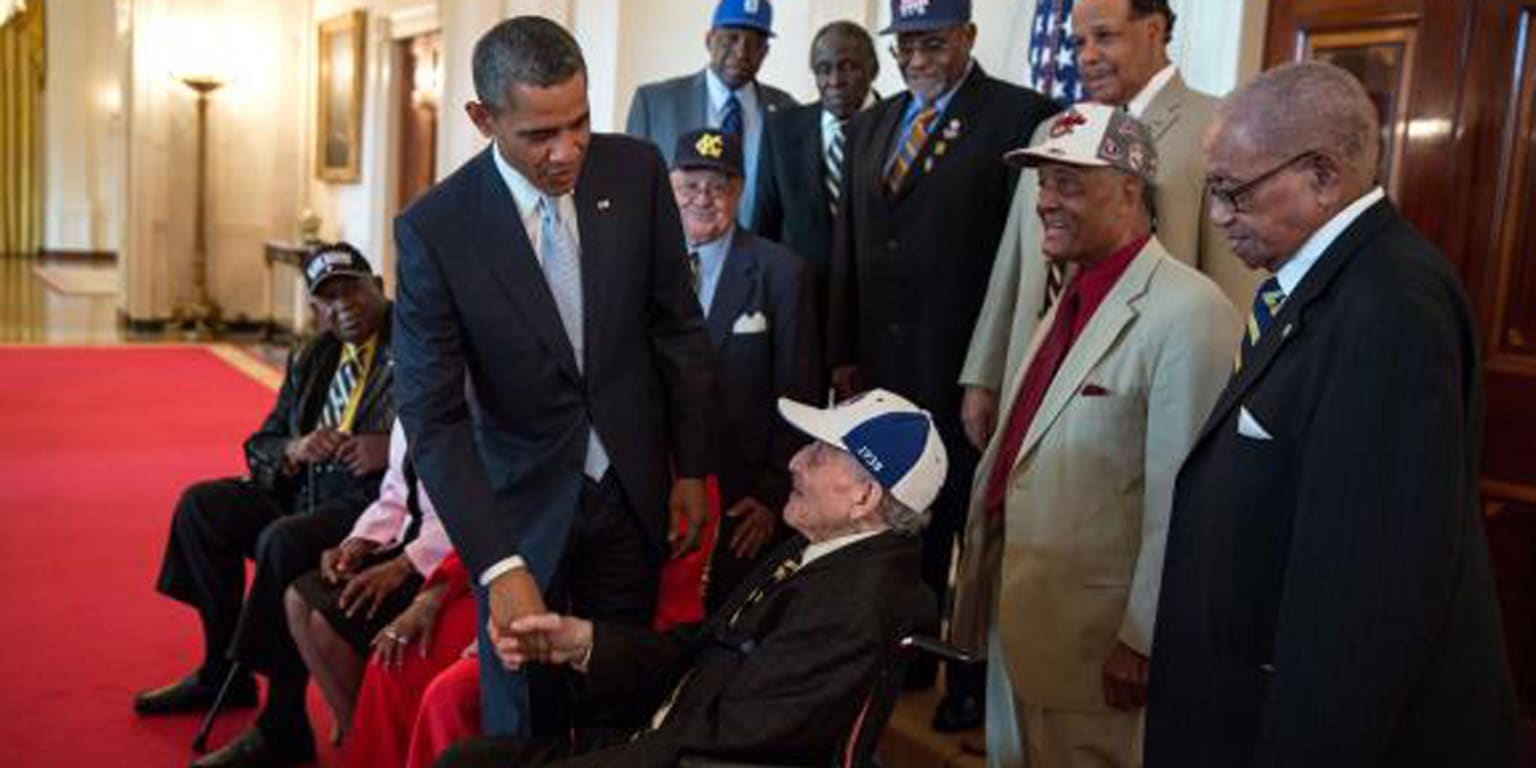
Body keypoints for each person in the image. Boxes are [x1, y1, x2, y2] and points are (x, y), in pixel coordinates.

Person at [1146, 61, 1526, 767]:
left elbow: (1365, 600)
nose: (1220, 216)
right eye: (1213, 192)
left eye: (1234, 192)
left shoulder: (1391, 310)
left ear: (1323, 176)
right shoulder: (1318, 282)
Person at [392, 17, 715, 739]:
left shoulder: (634, 173)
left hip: (632, 495)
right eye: (539, 135)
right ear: (484, 119)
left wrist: (691, 469)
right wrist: (497, 561)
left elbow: (676, 329)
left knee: (624, 700)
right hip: (520, 513)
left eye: (579, 123)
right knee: (525, 718)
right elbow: (434, 416)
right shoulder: (435, 231)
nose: (567, 151)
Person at [439, 389, 946, 768]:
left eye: (818, 455)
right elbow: (702, 650)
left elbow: (735, 740)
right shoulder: (816, 550)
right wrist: (581, 642)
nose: (794, 462)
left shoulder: (856, 603)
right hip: (665, 738)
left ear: (864, 497)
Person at [950, 104, 1238, 767]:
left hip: (1101, 650)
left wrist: (1143, 637)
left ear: (1131, 190)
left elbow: (1186, 502)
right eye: (1043, 183)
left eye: (1069, 184)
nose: (1046, 202)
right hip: (1023, 622)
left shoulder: (1190, 314)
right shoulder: (1071, 297)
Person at [825, 0, 1059, 730]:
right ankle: (906, 656)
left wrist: (993, 368)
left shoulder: (1021, 117)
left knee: (969, 525)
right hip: (882, 373)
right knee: (898, 521)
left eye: (932, 42)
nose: (917, 58)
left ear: (968, 38)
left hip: (967, 371)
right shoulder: (870, 125)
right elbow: (849, 250)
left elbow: (1022, 258)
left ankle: (966, 675)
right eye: (905, 45)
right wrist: (841, 353)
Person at [960, 0, 1257, 468]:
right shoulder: (1050, 131)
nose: (1087, 55)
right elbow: (1014, 263)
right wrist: (984, 374)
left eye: (1105, 36)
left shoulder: (1214, 129)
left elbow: (1230, 291)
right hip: (1033, 365)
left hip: (1132, 387)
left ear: (1155, 29)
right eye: (1078, 42)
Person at [137, 242, 396, 767]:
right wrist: (295, 449)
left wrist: (390, 448)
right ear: (315, 309)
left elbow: (451, 434)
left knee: (282, 542)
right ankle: (219, 675)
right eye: (327, 297)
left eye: (353, 288)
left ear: (379, 288)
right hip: (305, 490)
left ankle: (283, 724)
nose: (342, 304)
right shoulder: (315, 354)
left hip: (370, 505)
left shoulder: (416, 346)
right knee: (202, 507)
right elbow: (262, 444)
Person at [667, 127, 819, 610]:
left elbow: (801, 390)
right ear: (670, 188)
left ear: (739, 191)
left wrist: (773, 494)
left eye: (719, 186)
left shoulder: (780, 271)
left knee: (721, 627)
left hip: (740, 500)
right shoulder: (642, 264)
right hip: (656, 488)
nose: (703, 198)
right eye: (690, 185)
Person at [283, 417, 453, 747]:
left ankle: (374, 743)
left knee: (329, 623)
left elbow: (479, 511)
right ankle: (358, 736)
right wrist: (359, 541)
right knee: (297, 599)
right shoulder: (414, 396)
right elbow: (395, 492)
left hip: (452, 557)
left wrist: (404, 565)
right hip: (411, 542)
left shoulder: (479, 400)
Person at [625, 0, 797, 230]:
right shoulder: (655, 103)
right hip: (672, 254)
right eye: (732, 38)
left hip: (758, 259)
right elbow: (633, 191)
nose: (741, 52)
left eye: (754, 44)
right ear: (709, 40)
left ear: (765, 52)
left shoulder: (788, 111)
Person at [754, 19, 879, 332]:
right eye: (824, 69)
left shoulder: (898, 126)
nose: (835, 80)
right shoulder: (781, 130)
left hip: (877, 311)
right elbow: (764, 228)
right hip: (801, 308)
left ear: (873, 68)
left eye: (848, 66)